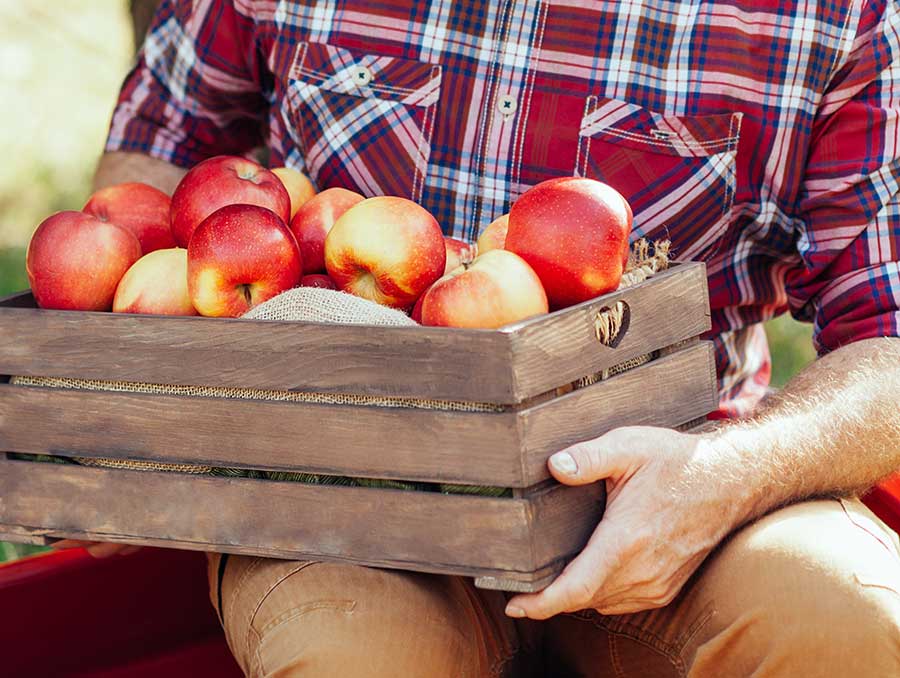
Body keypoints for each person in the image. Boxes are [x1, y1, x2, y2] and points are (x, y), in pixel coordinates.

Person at [75, 0, 900, 675]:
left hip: (679, 482)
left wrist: (724, 478)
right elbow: (148, 176)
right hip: (351, 487)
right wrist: (118, 411)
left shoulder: (828, 15)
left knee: (847, 618)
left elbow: (889, 339)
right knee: (346, 658)